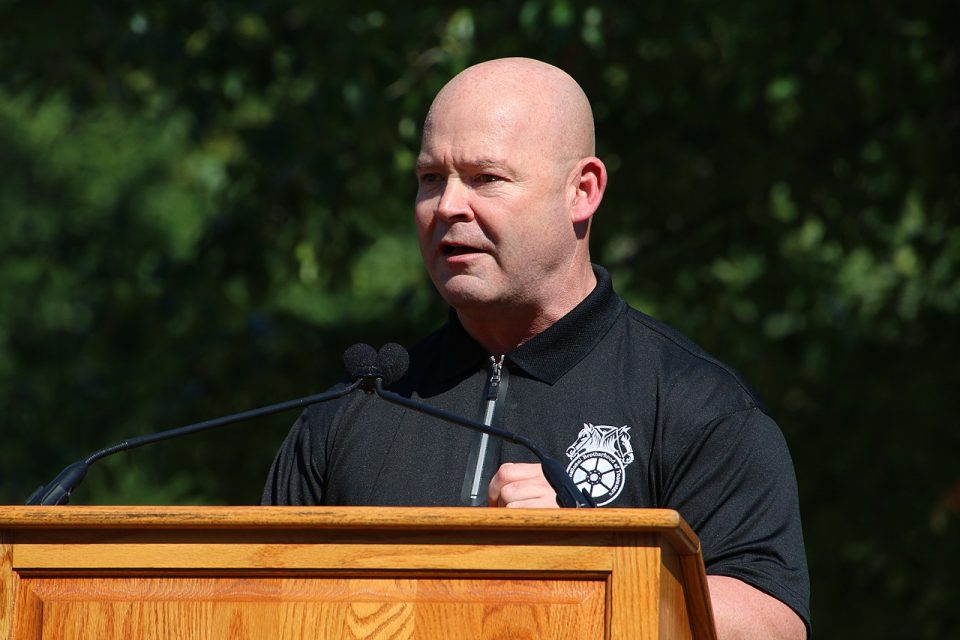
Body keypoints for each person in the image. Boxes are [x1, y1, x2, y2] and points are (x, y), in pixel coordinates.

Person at [263, 57, 810, 639]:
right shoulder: (357, 410)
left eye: (486, 178)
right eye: (430, 179)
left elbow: (773, 624)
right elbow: (252, 603)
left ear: (582, 191)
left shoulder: (696, 406)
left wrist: (587, 561)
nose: (447, 206)